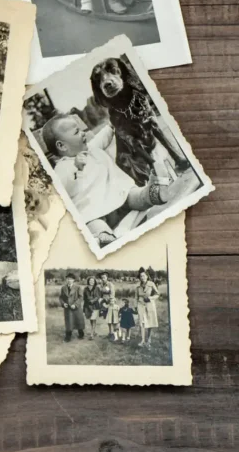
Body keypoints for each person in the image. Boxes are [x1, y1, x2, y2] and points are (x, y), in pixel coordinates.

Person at [40, 114, 193, 244]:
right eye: (76, 132)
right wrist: (77, 167)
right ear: (62, 146)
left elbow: (102, 138)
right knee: (94, 225)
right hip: (94, 213)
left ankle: (153, 193)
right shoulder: (62, 168)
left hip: (120, 196)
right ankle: (105, 237)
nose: (83, 133)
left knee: (135, 196)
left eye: (81, 130)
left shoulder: (90, 149)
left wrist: (111, 126)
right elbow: (65, 187)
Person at [135, 268, 159, 349]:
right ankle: (142, 340)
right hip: (140, 305)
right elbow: (136, 297)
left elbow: (157, 294)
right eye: (141, 276)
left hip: (149, 305)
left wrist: (151, 298)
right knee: (142, 322)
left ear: (147, 276)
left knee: (149, 322)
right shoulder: (138, 286)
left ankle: (149, 340)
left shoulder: (151, 284)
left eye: (144, 276)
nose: (142, 277)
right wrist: (136, 306)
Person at [59, 272, 85, 342]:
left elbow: (81, 297)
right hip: (68, 308)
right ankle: (68, 336)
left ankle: (81, 333)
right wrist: (63, 304)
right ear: (66, 280)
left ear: (73, 280)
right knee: (69, 323)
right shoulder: (63, 288)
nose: (69, 280)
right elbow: (61, 297)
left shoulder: (78, 287)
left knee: (78, 321)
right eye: (67, 279)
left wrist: (75, 304)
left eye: (70, 279)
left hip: (76, 308)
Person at [98, 271, 118, 341]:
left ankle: (114, 334)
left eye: (104, 277)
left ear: (107, 277)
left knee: (112, 319)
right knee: (108, 319)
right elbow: (100, 294)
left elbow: (112, 295)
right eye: (102, 277)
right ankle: (110, 333)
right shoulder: (101, 285)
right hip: (104, 303)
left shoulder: (110, 285)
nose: (103, 279)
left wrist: (109, 303)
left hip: (110, 303)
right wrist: (101, 301)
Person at [82, 275, 103, 340]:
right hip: (88, 306)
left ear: (94, 282)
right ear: (88, 281)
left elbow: (98, 296)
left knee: (93, 318)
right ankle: (93, 331)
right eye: (90, 281)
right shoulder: (85, 289)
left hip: (95, 306)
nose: (91, 282)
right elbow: (84, 298)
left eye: (93, 281)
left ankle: (91, 334)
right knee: (91, 319)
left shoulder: (97, 288)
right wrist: (86, 304)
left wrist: (92, 300)